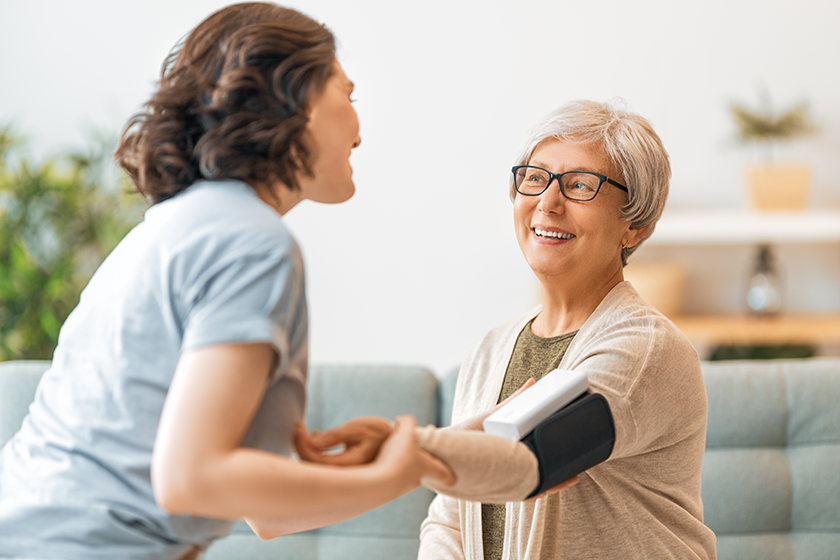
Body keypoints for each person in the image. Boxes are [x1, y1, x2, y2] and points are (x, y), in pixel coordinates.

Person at [0, 4, 452, 559]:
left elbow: (266, 515)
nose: (359, 130)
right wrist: (386, 478)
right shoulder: (252, 241)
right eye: (348, 94)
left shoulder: (181, 223)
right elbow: (191, 478)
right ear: (297, 98)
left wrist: (410, 468)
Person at [415, 100, 717, 559]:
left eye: (580, 185)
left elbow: (531, 460)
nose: (547, 203)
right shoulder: (490, 349)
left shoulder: (646, 349)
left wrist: (400, 451)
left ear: (634, 226)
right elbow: (450, 513)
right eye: (535, 178)